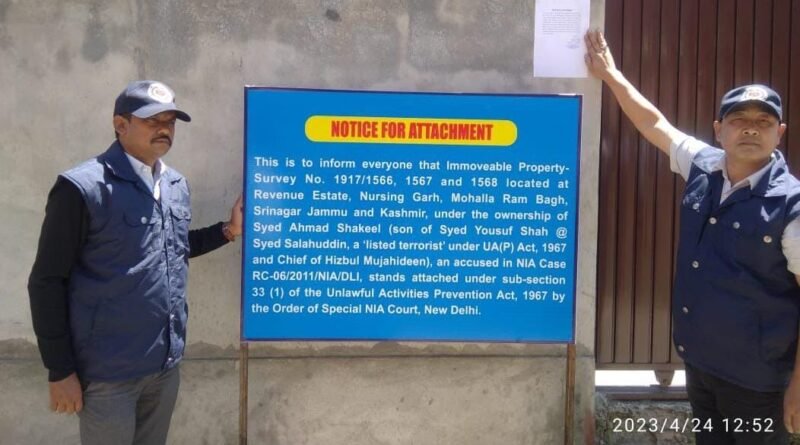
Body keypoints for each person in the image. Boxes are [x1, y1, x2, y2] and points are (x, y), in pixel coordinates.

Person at [585, 30, 800, 444]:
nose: (750, 130)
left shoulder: (791, 206)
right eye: (739, 121)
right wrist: (611, 75)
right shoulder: (703, 165)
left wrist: (798, 385)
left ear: (780, 133)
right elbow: (654, 123)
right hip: (701, 367)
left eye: (763, 123)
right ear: (719, 129)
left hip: (758, 383)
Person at [27, 80, 243, 445]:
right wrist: (59, 370)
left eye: (170, 121)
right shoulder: (83, 188)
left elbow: (171, 248)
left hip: (163, 368)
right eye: (152, 120)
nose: (164, 128)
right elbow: (46, 281)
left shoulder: (175, 184)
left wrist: (228, 230)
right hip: (109, 375)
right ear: (120, 124)